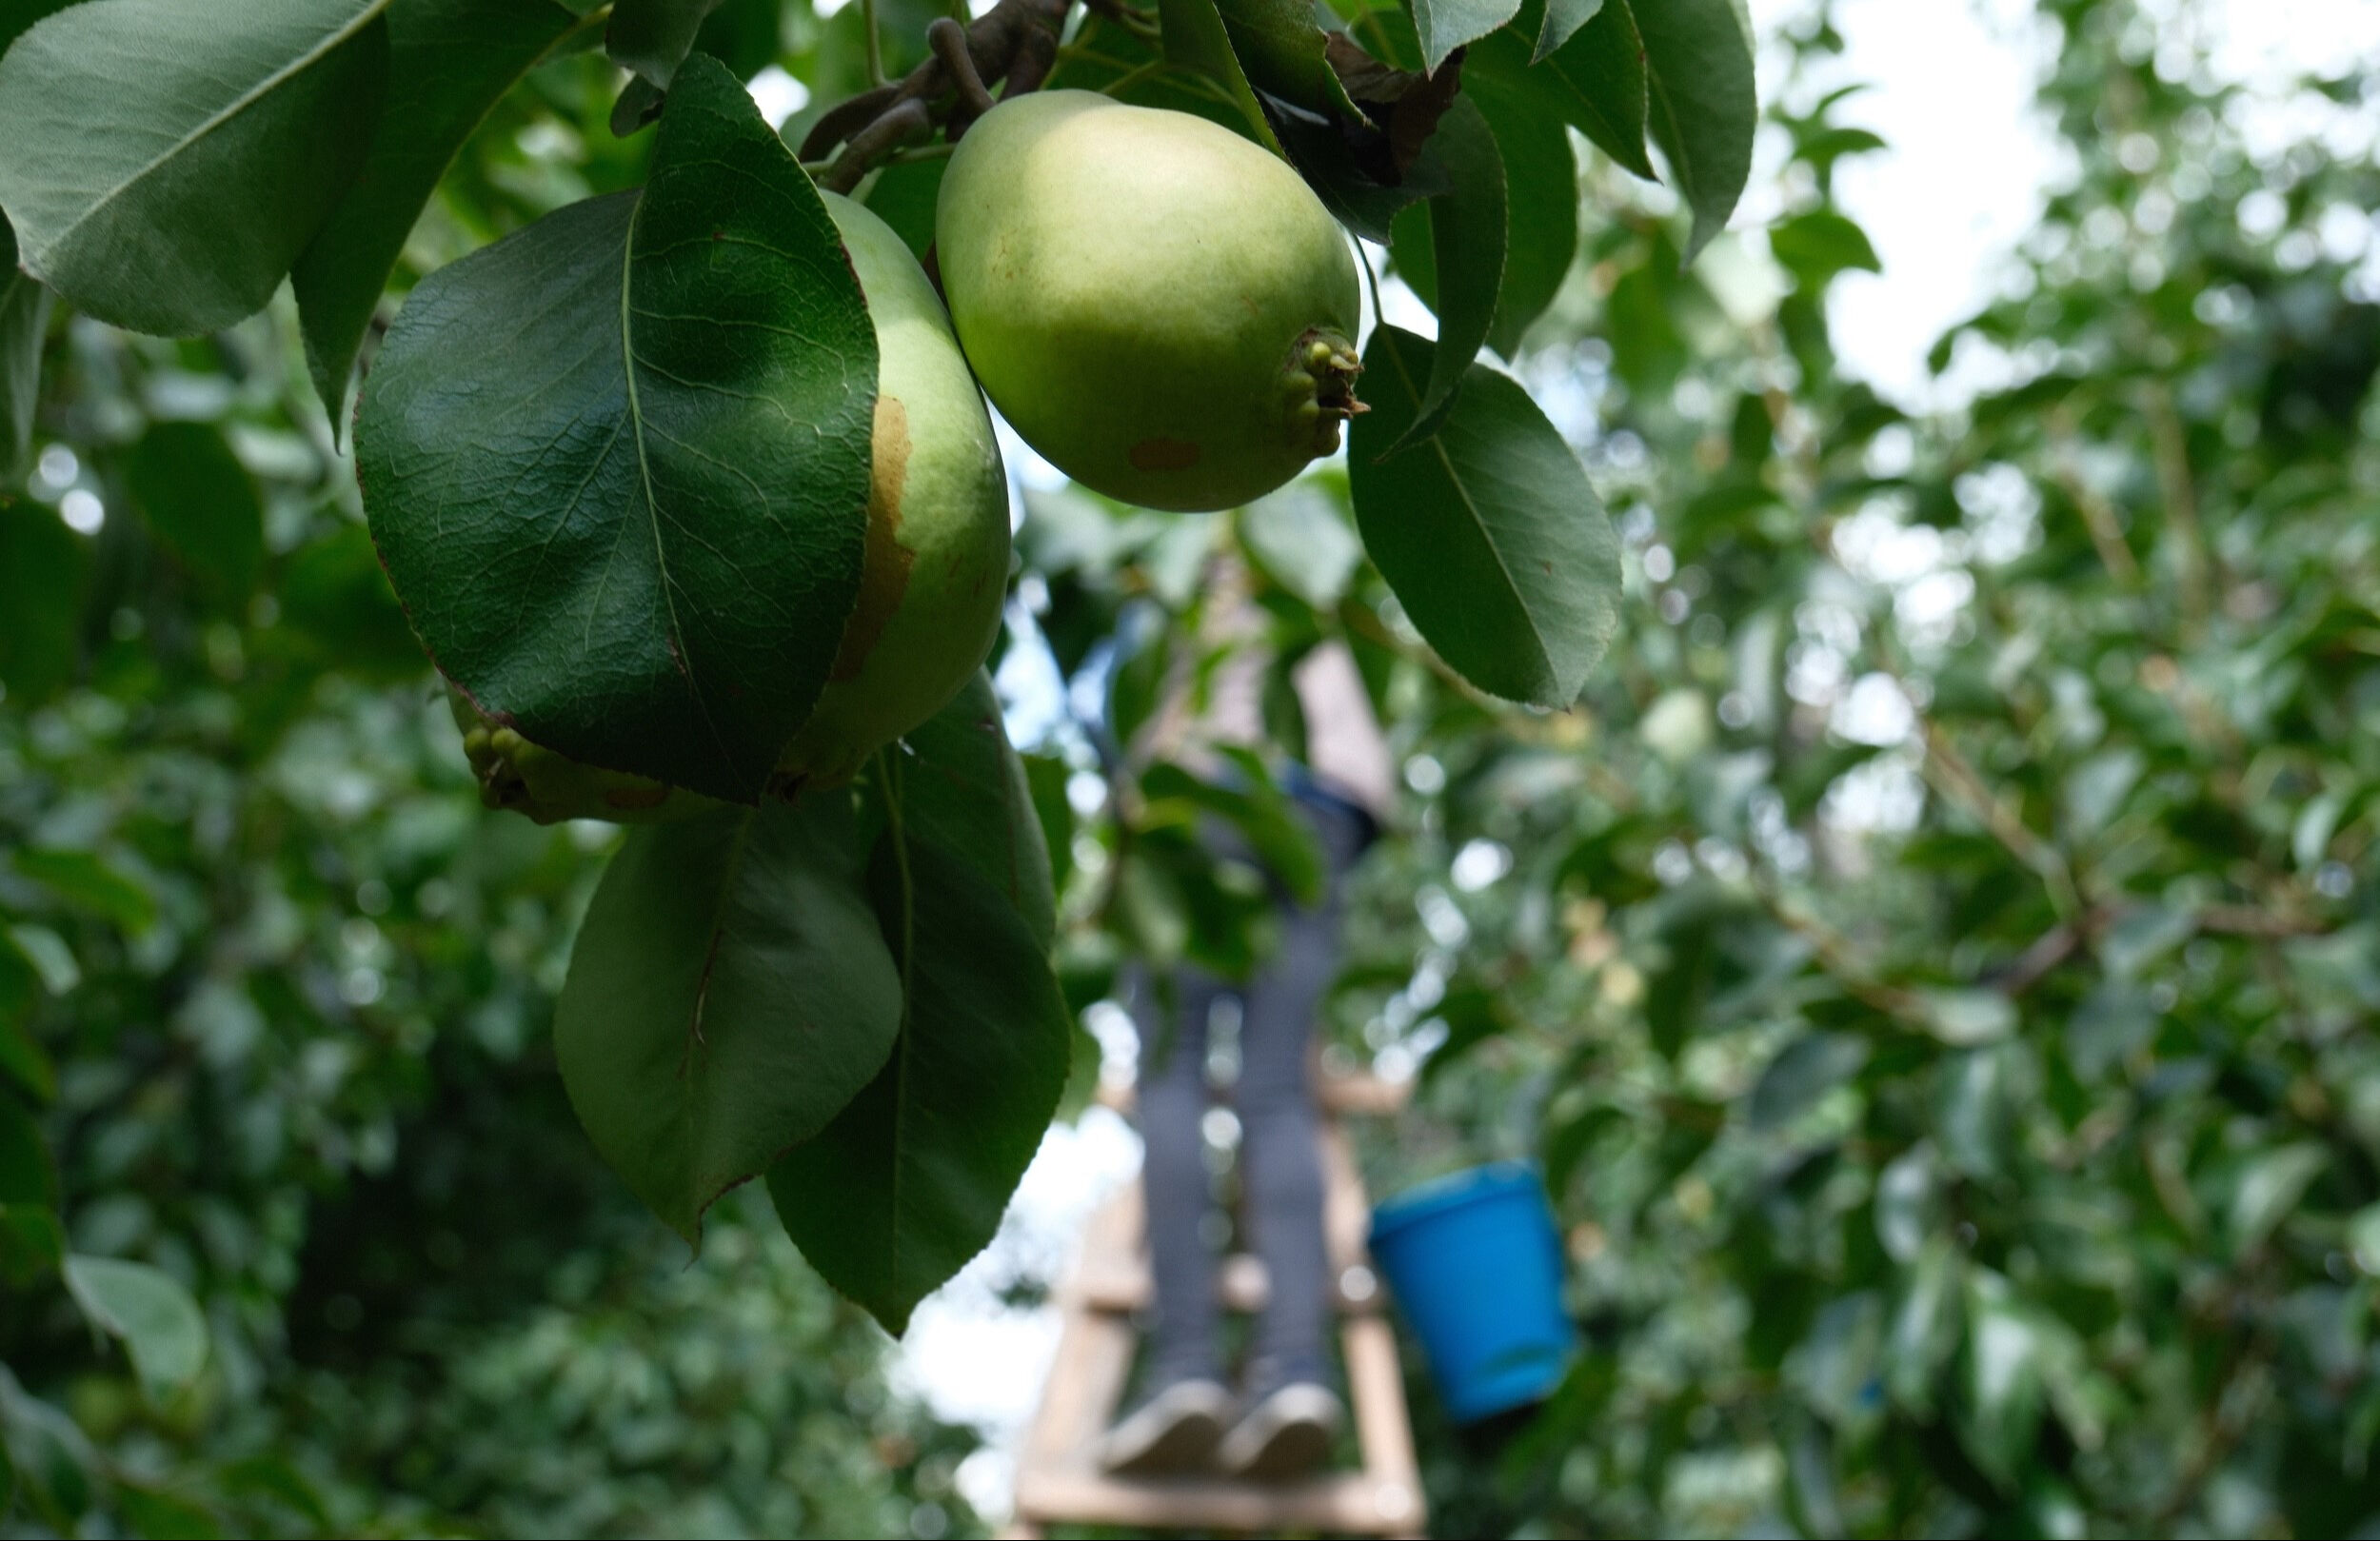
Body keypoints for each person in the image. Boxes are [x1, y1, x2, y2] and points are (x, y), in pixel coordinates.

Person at [1095, 558, 1397, 1483]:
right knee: (1274, 1092)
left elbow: (1122, 702)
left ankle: (1186, 1365)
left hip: (1193, 792)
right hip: (1321, 805)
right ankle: (1293, 1370)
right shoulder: (1299, 523)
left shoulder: (1155, 516)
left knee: (1174, 1072)